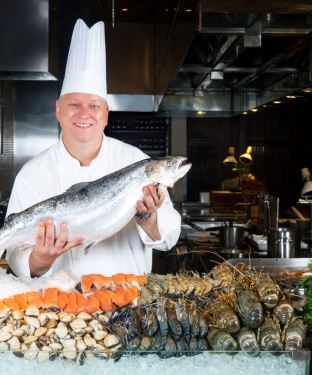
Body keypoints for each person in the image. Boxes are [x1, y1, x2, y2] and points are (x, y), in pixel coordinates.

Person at [5, 19, 182, 278]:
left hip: (129, 306)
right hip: (60, 314)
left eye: (95, 105)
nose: (84, 114)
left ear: (106, 114)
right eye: (74, 104)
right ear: (58, 110)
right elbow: (15, 260)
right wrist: (40, 259)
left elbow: (169, 238)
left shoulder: (136, 161)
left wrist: (148, 219)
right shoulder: (32, 174)